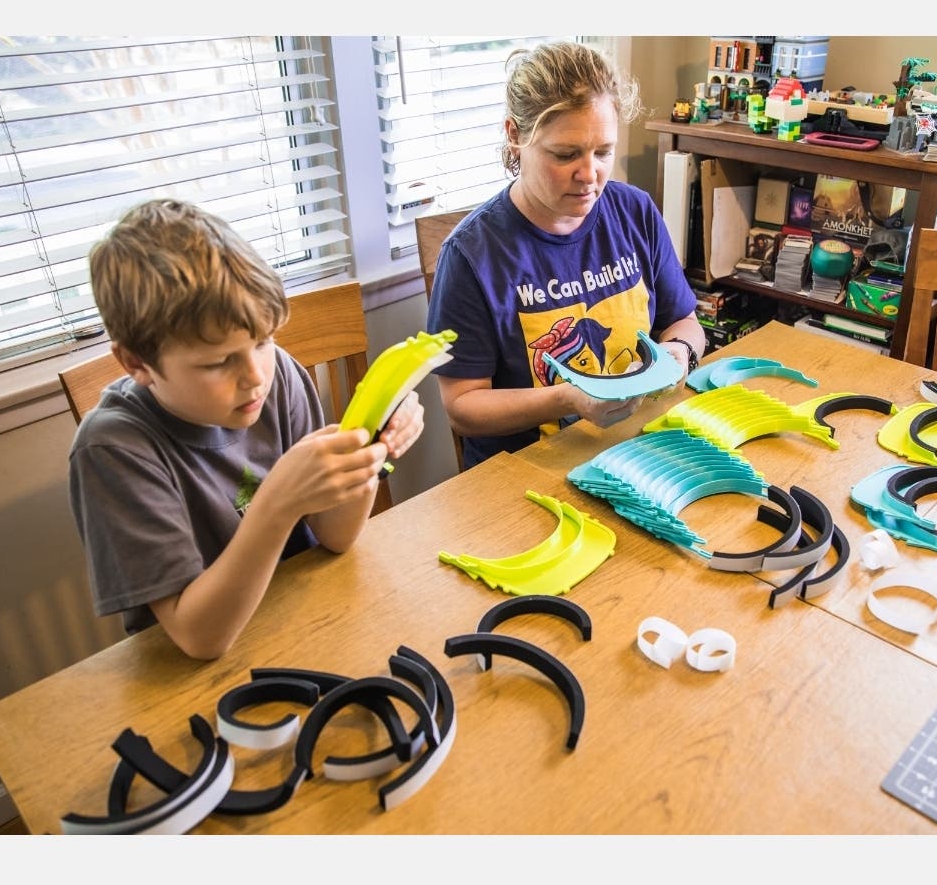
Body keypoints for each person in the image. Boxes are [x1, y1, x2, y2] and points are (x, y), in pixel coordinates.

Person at [68, 199, 425, 660]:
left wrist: (370, 447)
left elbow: (335, 537)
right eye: (218, 362)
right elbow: (199, 638)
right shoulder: (113, 448)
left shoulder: (279, 379)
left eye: (264, 342)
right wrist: (278, 502)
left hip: (306, 624)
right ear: (137, 363)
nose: (256, 375)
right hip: (195, 670)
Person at [425, 41, 706, 469]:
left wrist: (680, 352)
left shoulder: (634, 211)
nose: (590, 174)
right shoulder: (471, 254)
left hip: (637, 454)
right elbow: (462, 407)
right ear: (514, 136)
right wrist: (565, 398)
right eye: (565, 154)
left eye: (603, 152)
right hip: (526, 475)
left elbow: (683, 321)